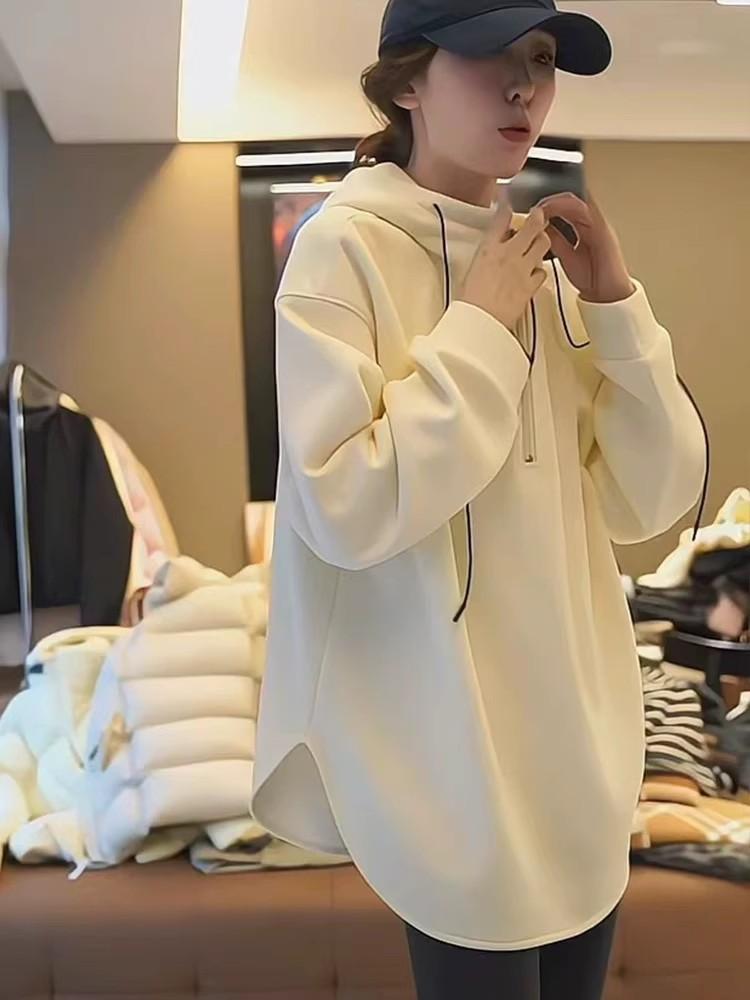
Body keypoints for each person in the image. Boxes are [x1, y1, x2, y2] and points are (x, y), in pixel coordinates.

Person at [250, 1, 706, 997]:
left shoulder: (541, 260)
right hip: (448, 757)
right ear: (407, 81)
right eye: (488, 56)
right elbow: (343, 506)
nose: (525, 86)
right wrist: (479, 331)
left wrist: (616, 303)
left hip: (579, 748)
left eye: (540, 59)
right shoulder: (343, 248)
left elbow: (652, 498)